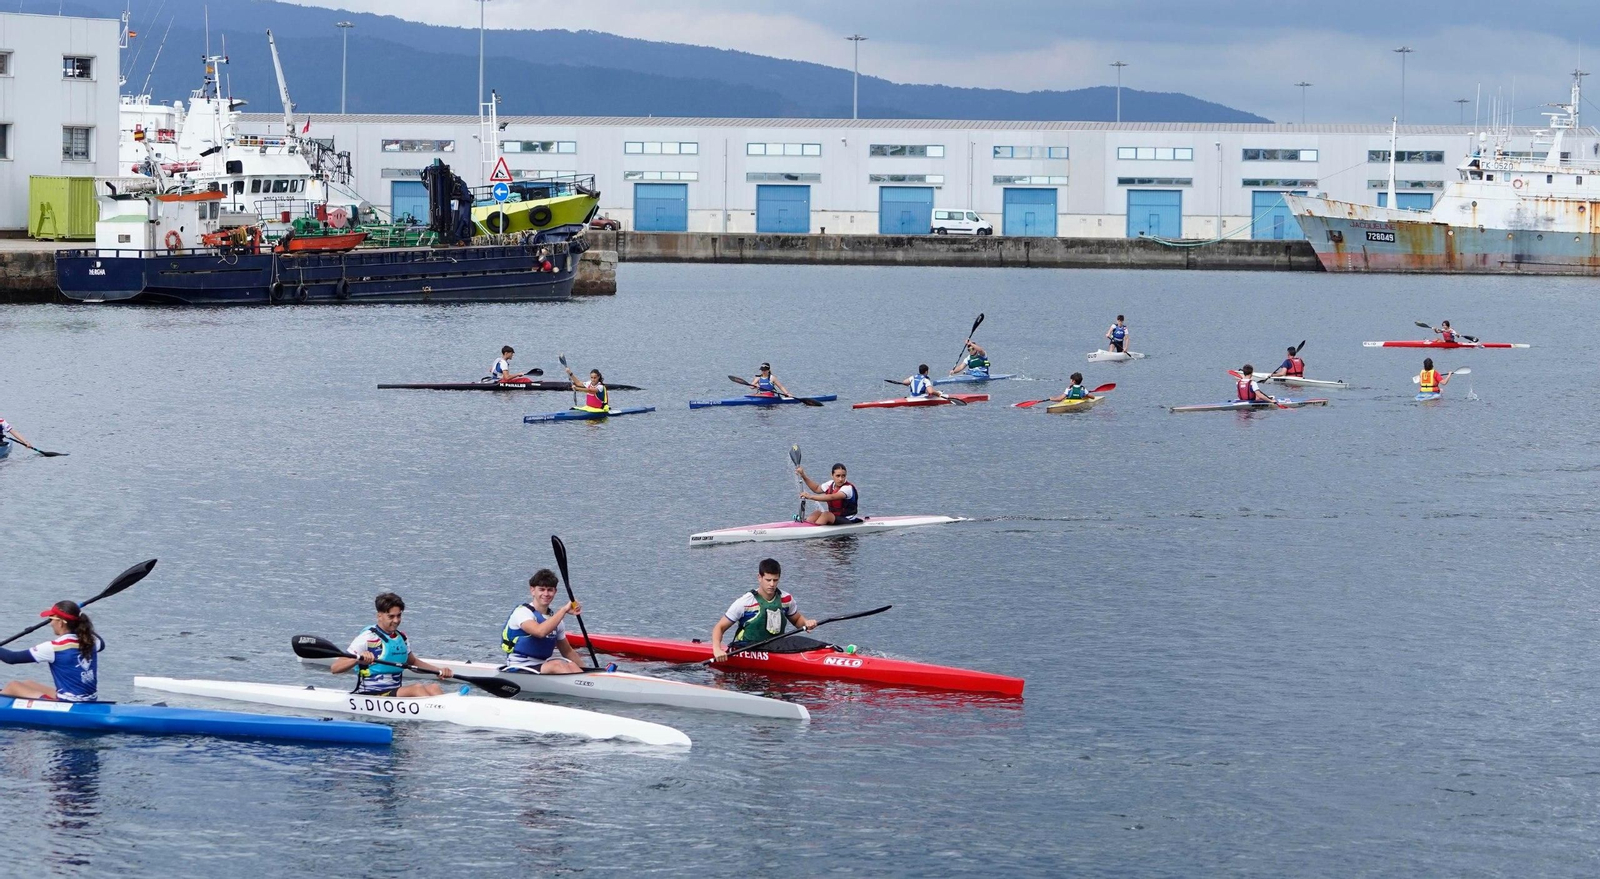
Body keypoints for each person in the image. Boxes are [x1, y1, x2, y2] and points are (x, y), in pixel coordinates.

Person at [329, 592, 453, 697]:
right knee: (417, 688)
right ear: (379, 615)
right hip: (371, 694)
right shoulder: (367, 638)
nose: (396, 620)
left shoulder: (402, 638)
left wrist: (439, 671)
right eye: (391, 616)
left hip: (393, 694)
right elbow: (335, 668)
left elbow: (413, 662)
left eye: (399, 615)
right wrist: (358, 659)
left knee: (434, 688)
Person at [710, 558, 817, 662]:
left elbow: (797, 620)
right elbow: (719, 627)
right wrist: (717, 649)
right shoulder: (745, 602)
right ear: (759, 578)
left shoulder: (786, 599)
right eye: (768, 580)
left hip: (776, 648)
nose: (772, 584)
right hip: (749, 649)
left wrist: (806, 623)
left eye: (775, 580)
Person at [0, 601, 100, 702]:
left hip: (68, 702)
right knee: (29, 683)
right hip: (89, 700)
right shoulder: (91, 642)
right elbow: (99, 640)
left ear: (60, 623)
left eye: (51, 619)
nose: (50, 623)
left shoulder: (55, 647)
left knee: (13, 686)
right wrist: (76, 617)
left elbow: (11, 658)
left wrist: (74, 617)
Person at [500, 569, 586, 674]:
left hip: (541, 666)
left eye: (550, 590)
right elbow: (539, 632)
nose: (546, 594)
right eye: (541, 589)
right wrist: (564, 610)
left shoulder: (556, 621)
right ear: (532, 590)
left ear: (555, 592)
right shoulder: (522, 613)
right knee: (557, 664)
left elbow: (568, 652)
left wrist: (589, 674)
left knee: (571, 664)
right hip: (519, 666)